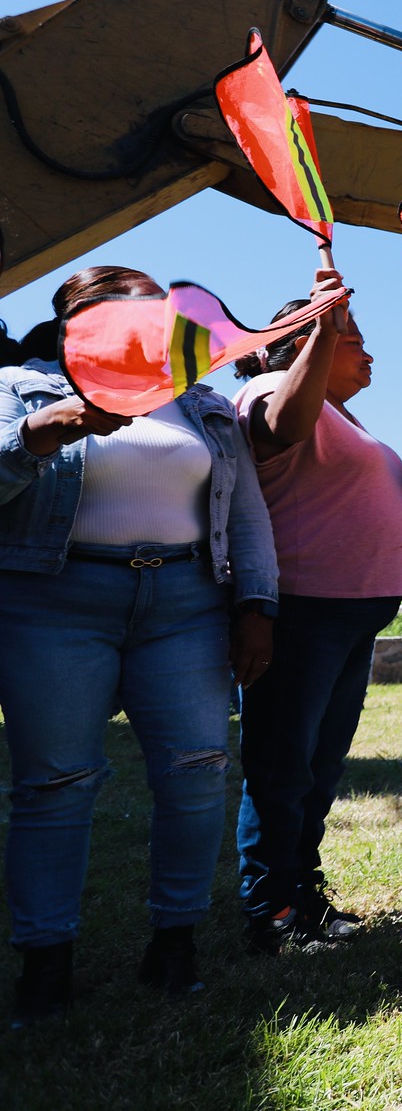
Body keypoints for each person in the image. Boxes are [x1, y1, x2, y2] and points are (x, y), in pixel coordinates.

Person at [1, 267, 278, 1022]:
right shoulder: (21, 385)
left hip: (186, 604)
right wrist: (43, 431)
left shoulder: (205, 403)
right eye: (117, 307)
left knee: (197, 770)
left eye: (150, 307)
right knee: (54, 781)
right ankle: (47, 962)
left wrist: (256, 603)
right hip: (54, 600)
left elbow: (246, 513)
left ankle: (175, 942)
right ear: (73, 320)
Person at [234, 264, 402, 950]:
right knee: (283, 765)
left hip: (351, 616)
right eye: (353, 337)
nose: (367, 351)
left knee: (318, 767)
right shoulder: (267, 391)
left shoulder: (350, 422)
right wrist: (322, 322)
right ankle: (270, 912)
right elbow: (281, 427)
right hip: (303, 609)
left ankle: (302, 892)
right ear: (300, 341)